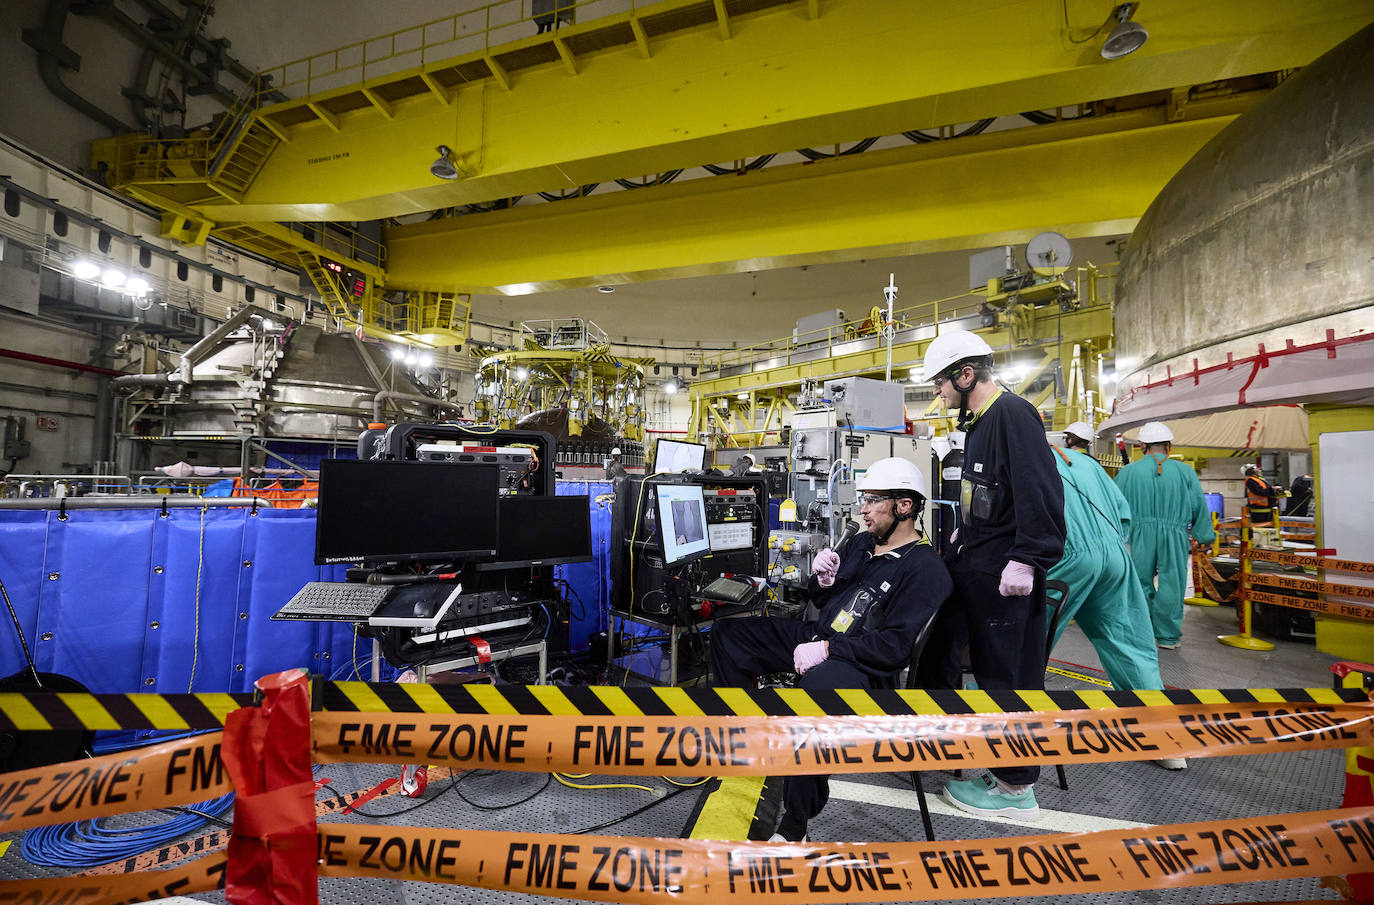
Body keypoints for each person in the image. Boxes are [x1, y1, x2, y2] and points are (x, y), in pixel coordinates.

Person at [708, 457, 951, 842]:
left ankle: (795, 828)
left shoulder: (925, 569)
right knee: (727, 635)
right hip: (821, 637)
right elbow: (823, 598)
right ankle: (747, 742)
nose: (863, 510)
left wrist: (827, 650)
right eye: (863, 499)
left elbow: (895, 647)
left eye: (872, 500)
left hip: (866, 665)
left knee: (813, 697)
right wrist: (822, 581)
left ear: (904, 506)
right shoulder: (861, 543)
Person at [914, 330, 1065, 820]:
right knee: (940, 645)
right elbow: (986, 493)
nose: (937, 392)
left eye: (940, 382)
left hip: (1007, 575)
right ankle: (949, 738)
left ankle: (1015, 787)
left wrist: (1029, 557)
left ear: (965, 374)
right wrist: (963, 535)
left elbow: (1039, 491)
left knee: (1008, 675)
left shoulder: (1012, 415)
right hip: (977, 562)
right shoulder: (976, 422)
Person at [1048, 422, 1186, 771]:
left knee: (1022, 637)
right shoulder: (1087, 463)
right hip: (1115, 554)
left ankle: (991, 720)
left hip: (1070, 556)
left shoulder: (1024, 461)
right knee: (1128, 643)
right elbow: (1122, 513)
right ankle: (1166, 742)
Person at [1114, 422, 1215, 651]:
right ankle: (1168, 637)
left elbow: (1113, 505)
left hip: (1140, 533)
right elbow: (1198, 505)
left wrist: (1117, 535)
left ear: (1142, 446)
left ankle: (1143, 632)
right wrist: (1204, 536)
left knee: (1139, 581)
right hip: (1175, 533)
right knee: (1173, 582)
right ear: (1168, 446)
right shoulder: (1185, 471)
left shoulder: (1128, 472)